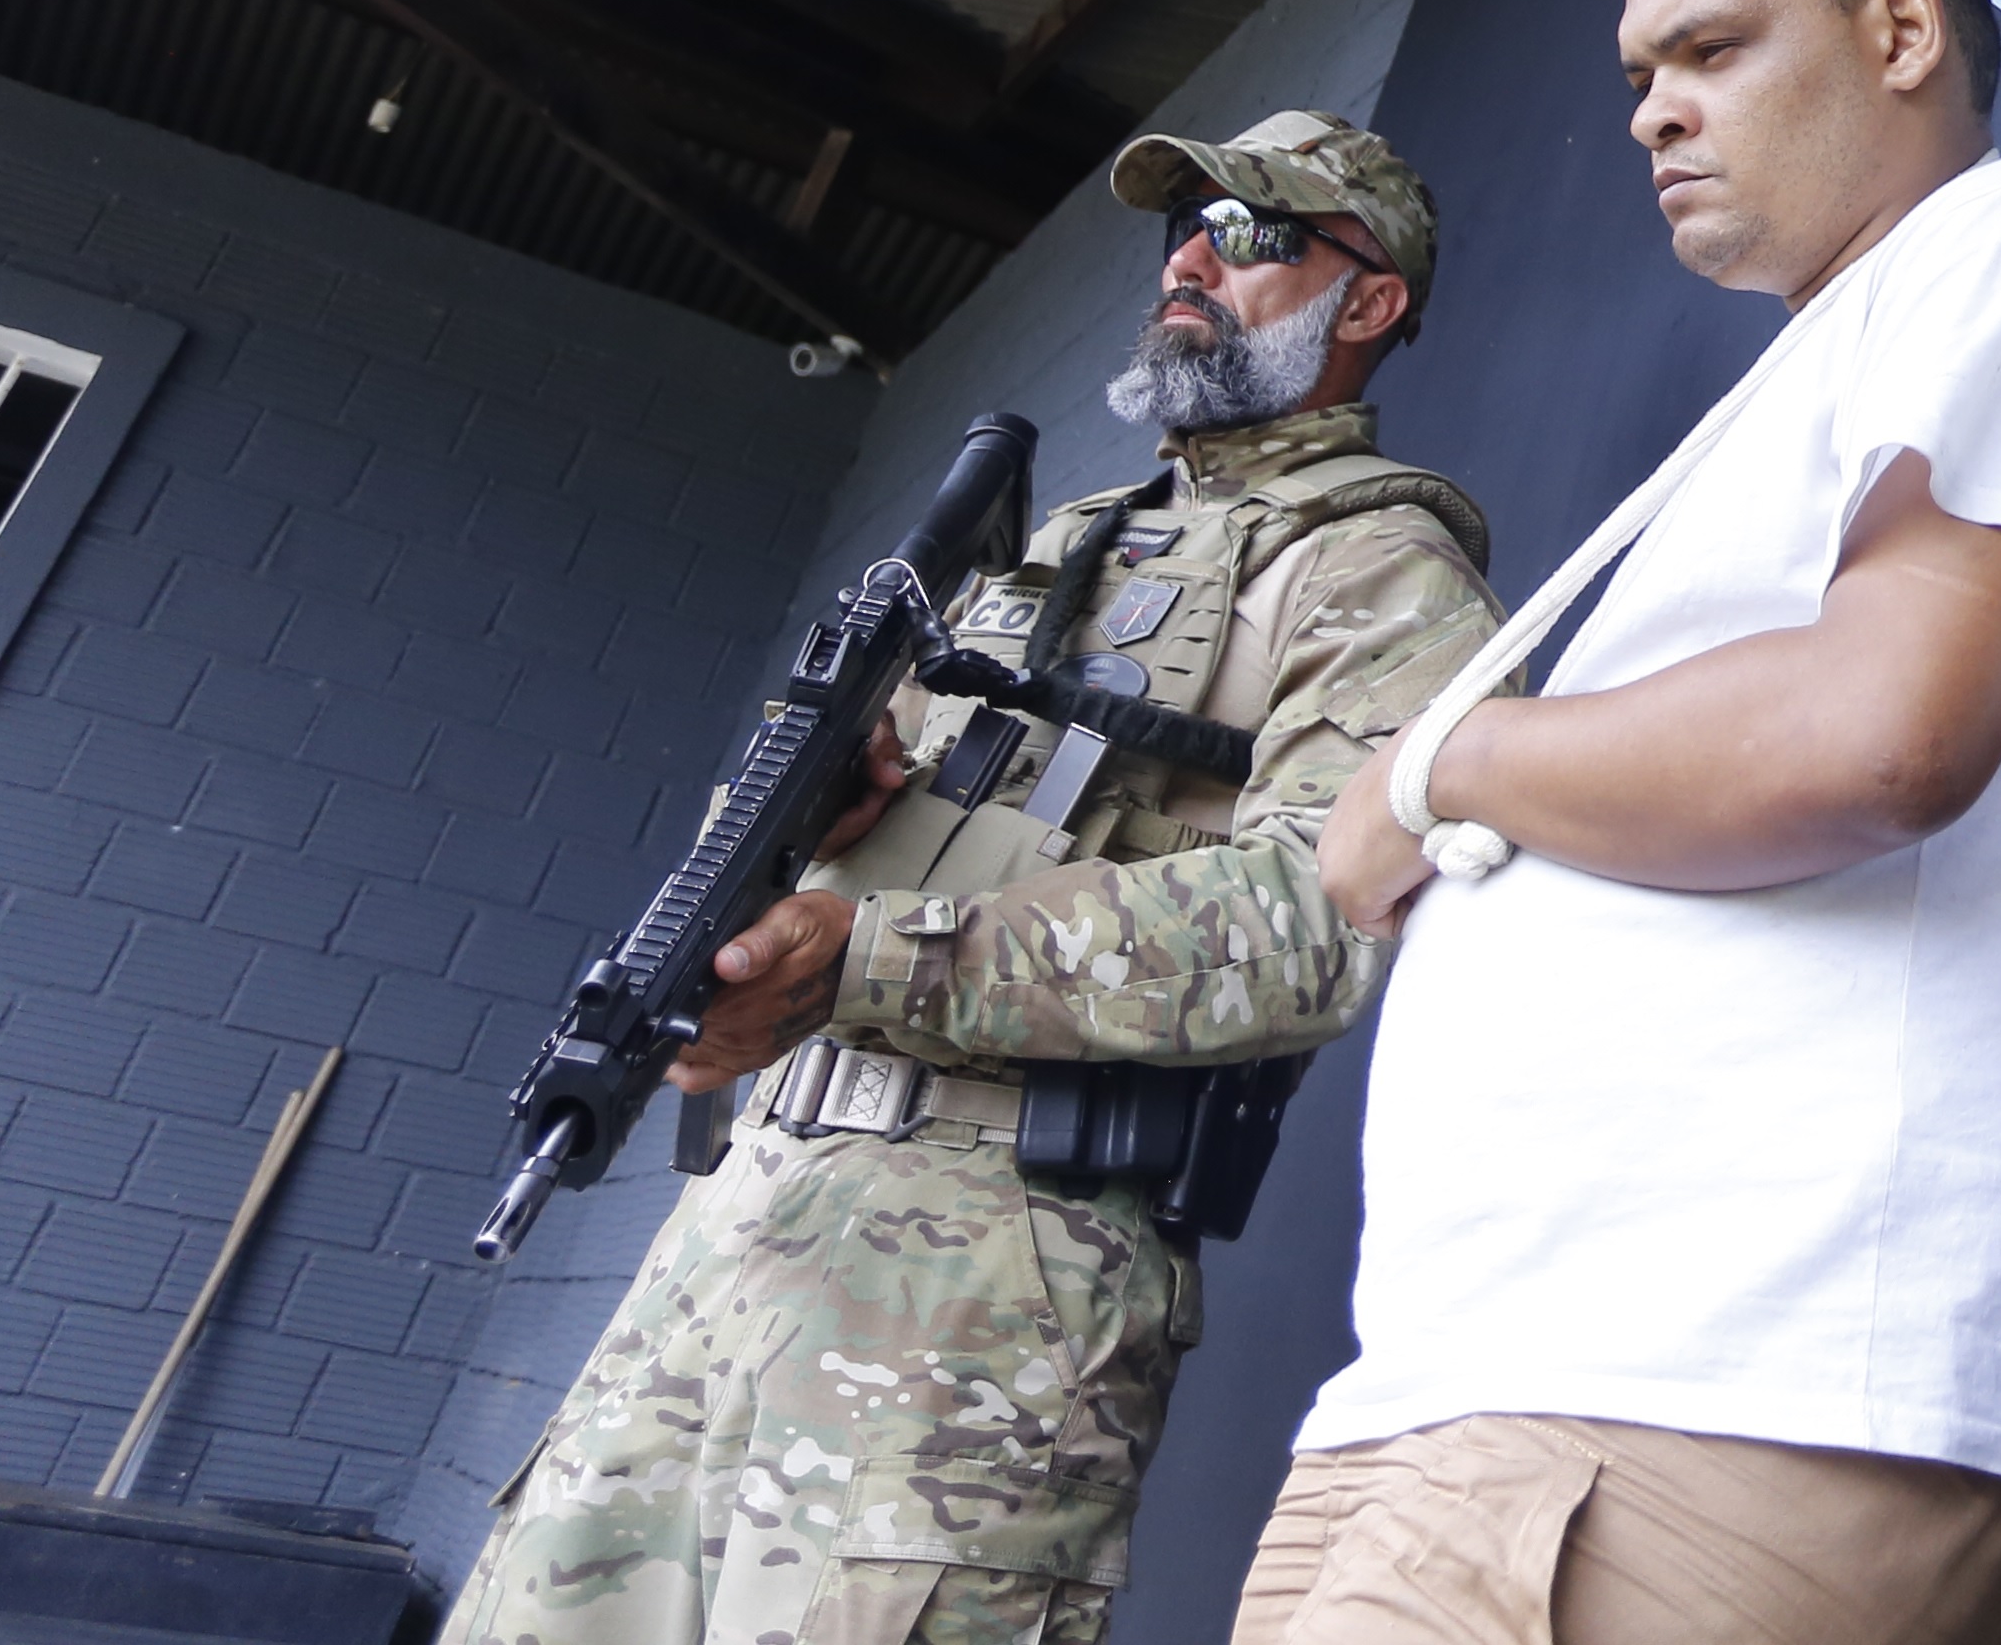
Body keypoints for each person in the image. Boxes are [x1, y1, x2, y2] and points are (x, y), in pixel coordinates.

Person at [1251, 0, 2001, 1645]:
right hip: (1474, 1387)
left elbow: (1880, 734)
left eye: (1709, 50)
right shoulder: (1817, 365)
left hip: (1715, 1381)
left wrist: (1442, 767)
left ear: (1901, 32)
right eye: (1639, 77)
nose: (1652, 114)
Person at [448, 110, 1503, 1645]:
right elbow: (865, 844)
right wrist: (809, 833)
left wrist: (869, 956)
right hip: (744, 1221)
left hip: (996, 1278)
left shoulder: (1384, 569)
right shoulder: (1059, 548)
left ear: (1370, 299)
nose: (1192, 262)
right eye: (1184, 230)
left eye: (1250, 233)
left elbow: (1311, 922)